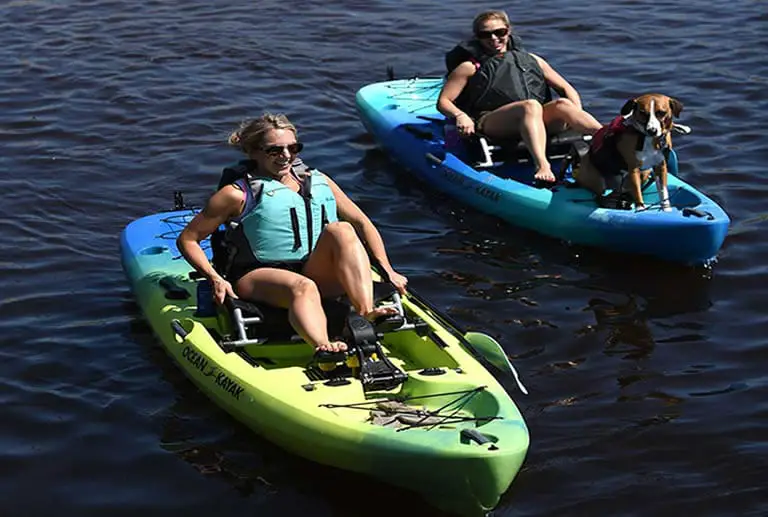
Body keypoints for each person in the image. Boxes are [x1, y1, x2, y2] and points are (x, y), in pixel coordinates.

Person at [177, 113, 408, 353]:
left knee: (342, 229)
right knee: (302, 286)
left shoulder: (320, 181)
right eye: (274, 150)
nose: (286, 156)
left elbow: (362, 222)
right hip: (257, 276)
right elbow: (188, 239)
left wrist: (387, 270)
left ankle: (366, 311)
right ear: (253, 151)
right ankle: (324, 346)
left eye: (293, 148)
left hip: (312, 267)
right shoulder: (236, 194)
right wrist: (215, 277)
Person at [437, 10, 603, 182]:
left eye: (499, 32)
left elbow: (567, 89)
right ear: (477, 37)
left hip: (534, 118)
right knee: (530, 106)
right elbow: (444, 101)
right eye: (485, 34)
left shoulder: (533, 60)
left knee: (562, 104)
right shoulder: (470, 67)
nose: (494, 38)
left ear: (508, 31)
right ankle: (542, 165)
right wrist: (460, 115)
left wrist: (574, 114)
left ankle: (607, 138)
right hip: (492, 122)